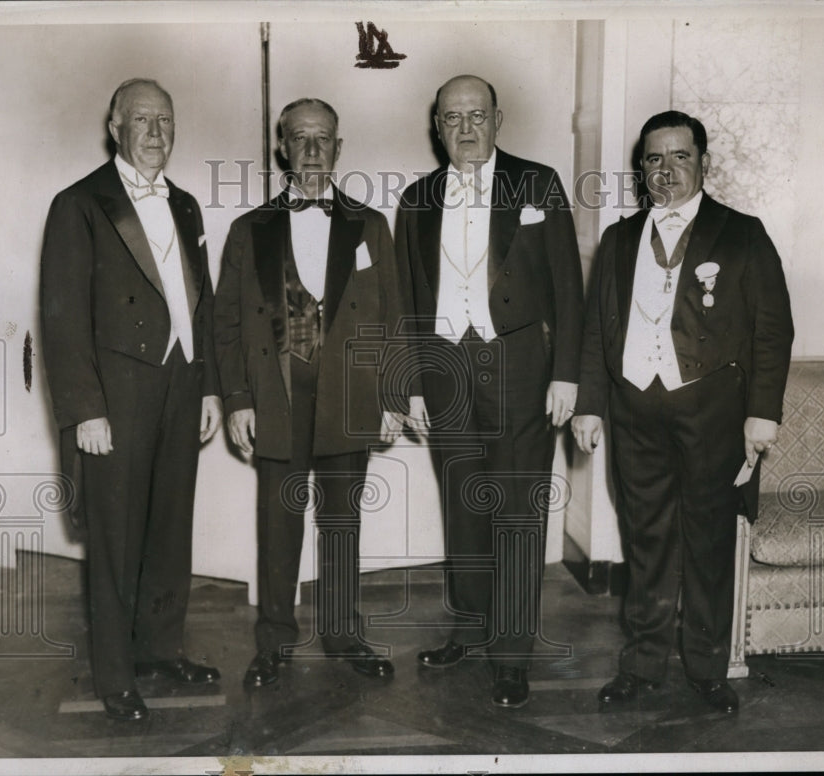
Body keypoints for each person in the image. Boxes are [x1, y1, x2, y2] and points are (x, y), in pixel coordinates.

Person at [571, 110, 794, 713]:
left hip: (714, 414)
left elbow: (772, 331)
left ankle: (706, 670)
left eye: (679, 156)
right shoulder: (620, 238)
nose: (666, 170)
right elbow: (597, 330)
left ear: (703, 162)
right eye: (653, 159)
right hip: (634, 411)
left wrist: (762, 413)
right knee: (645, 542)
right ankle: (641, 666)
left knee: (708, 542)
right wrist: (590, 405)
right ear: (641, 169)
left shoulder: (742, 233)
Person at [393, 75, 583, 708]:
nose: (466, 127)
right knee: (465, 507)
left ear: (498, 119)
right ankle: (470, 629)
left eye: (477, 114)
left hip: (522, 366)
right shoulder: (416, 200)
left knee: (518, 513)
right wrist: (414, 384)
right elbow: (410, 300)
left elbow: (568, 287)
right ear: (437, 126)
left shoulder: (538, 184)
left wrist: (568, 374)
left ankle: (511, 654)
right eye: (453, 117)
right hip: (445, 370)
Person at [40, 78, 223, 721]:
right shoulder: (79, 204)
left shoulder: (190, 206)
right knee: (115, 539)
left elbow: (205, 304)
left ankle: (161, 648)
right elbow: (61, 319)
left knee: (170, 526)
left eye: (165, 121)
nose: (155, 133)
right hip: (115, 397)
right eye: (141, 120)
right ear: (114, 126)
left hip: (181, 383)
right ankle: (116, 674)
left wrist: (210, 387)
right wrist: (85, 408)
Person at [213, 98, 404, 687]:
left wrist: (394, 396)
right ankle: (274, 641)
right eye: (301, 138)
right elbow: (225, 323)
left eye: (325, 139)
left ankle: (343, 633)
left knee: (343, 522)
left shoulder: (370, 225)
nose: (314, 150)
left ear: (340, 149)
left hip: (351, 397)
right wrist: (239, 400)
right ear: (283, 149)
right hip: (278, 397)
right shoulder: (250, 230)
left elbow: (392, 314)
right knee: (279, 521)